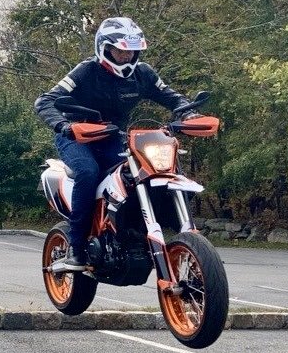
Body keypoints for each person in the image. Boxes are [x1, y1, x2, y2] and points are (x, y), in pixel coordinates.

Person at [35, 16, 197, 270]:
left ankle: (145, 233)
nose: (125, 56)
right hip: (77, 136)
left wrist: (188, 113)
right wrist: (64, 126)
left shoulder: (143, 74)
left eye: (131, 51)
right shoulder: (85, 71)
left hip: (113, 136)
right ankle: (77, 249)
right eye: (120, 50)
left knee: (149, 172)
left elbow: (171, 97)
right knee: (88, 172)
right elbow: (45, 101)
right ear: (104, 48)